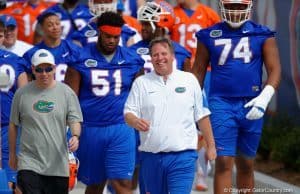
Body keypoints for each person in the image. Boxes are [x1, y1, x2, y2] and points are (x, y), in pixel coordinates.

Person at [192, 0, 281, 194]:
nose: (235, 10)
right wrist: (191, 105)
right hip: (221, 102)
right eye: (231, 6)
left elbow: (274, 70)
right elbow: (197, 72)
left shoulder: (262, 34)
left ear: (248, 7)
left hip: (252, 102)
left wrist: (264, 98)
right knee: (223, 161)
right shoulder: (208, 35)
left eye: (240, 6)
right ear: (223, 6)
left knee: (246, 163)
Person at [64, 11, 144, 194]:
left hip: (121, 128)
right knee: (95, 185)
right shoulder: (80, 58)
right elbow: (69, 98)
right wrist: (69, 131)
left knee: (123, 184)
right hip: (91, 129)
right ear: (99, 33)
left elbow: (141, 95)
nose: (112, 41)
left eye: (116, 37)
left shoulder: (132, 59)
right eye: (108, 36)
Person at [124, 36, 216, 194]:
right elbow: (128, 112)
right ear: (150, 59)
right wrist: (135, 121)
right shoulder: (141, 83)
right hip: (151, 157)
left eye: (163, 53)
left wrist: (211, 145)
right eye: (155, 55)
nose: (160, 58)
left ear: (173, 56)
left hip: (183, 156)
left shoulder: (190, 80)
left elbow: (202, 115)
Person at [8, 48, 83, 194]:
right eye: (39, 69)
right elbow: (13, 125)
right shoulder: (22, 94)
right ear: (33, 70)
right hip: (29, 162)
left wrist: (75, 136)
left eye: (48, 69)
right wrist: (12, 154)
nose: (44, 74)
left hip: (57, 164)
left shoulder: (66, 93)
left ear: (54, 68)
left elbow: (74, 119)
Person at [0, 19, 28, 191]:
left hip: (8, 126)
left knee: (13, 181)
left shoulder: (15, 60)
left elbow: (25, 95)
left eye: (0, 35)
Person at [130, 0, 191, 73]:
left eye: (147, 24)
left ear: (163, 25)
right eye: (142, 23)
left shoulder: (181, 53)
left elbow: (189, 82)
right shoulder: (132, 51)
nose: (143, 28)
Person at [23, 11, 83, 82]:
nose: (55, 27)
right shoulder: (32, 54)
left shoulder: (74, 49)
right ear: (42, 28)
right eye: (50, 25)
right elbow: (27, 81)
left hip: (67, 91)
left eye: (57, 24)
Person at [70, 0, 139, 48]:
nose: (102, 5)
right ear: (91, 3)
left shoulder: (128, 32)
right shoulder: (80, 35)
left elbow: (132, 61)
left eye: (106, 1)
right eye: (98, 1)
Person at [171, 0, 220, 64]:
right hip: (179, 65)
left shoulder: (209, 14)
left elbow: (219, 42)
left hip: (203, 66)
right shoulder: (172, 13)